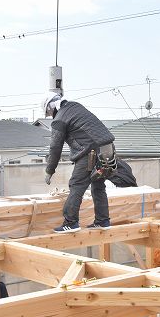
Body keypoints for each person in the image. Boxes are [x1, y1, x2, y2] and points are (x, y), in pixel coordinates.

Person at [42, 92, 117, 233]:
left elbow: (55, 147)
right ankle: (103, 221)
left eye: (49, 112)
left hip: (91, 152)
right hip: (108, 149)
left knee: (76, 185)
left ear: (51, 107)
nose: (50, 115)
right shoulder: (75, 107)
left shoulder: (60, 119)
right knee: (98, 185)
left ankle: (70, 223)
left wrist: (49, 170)